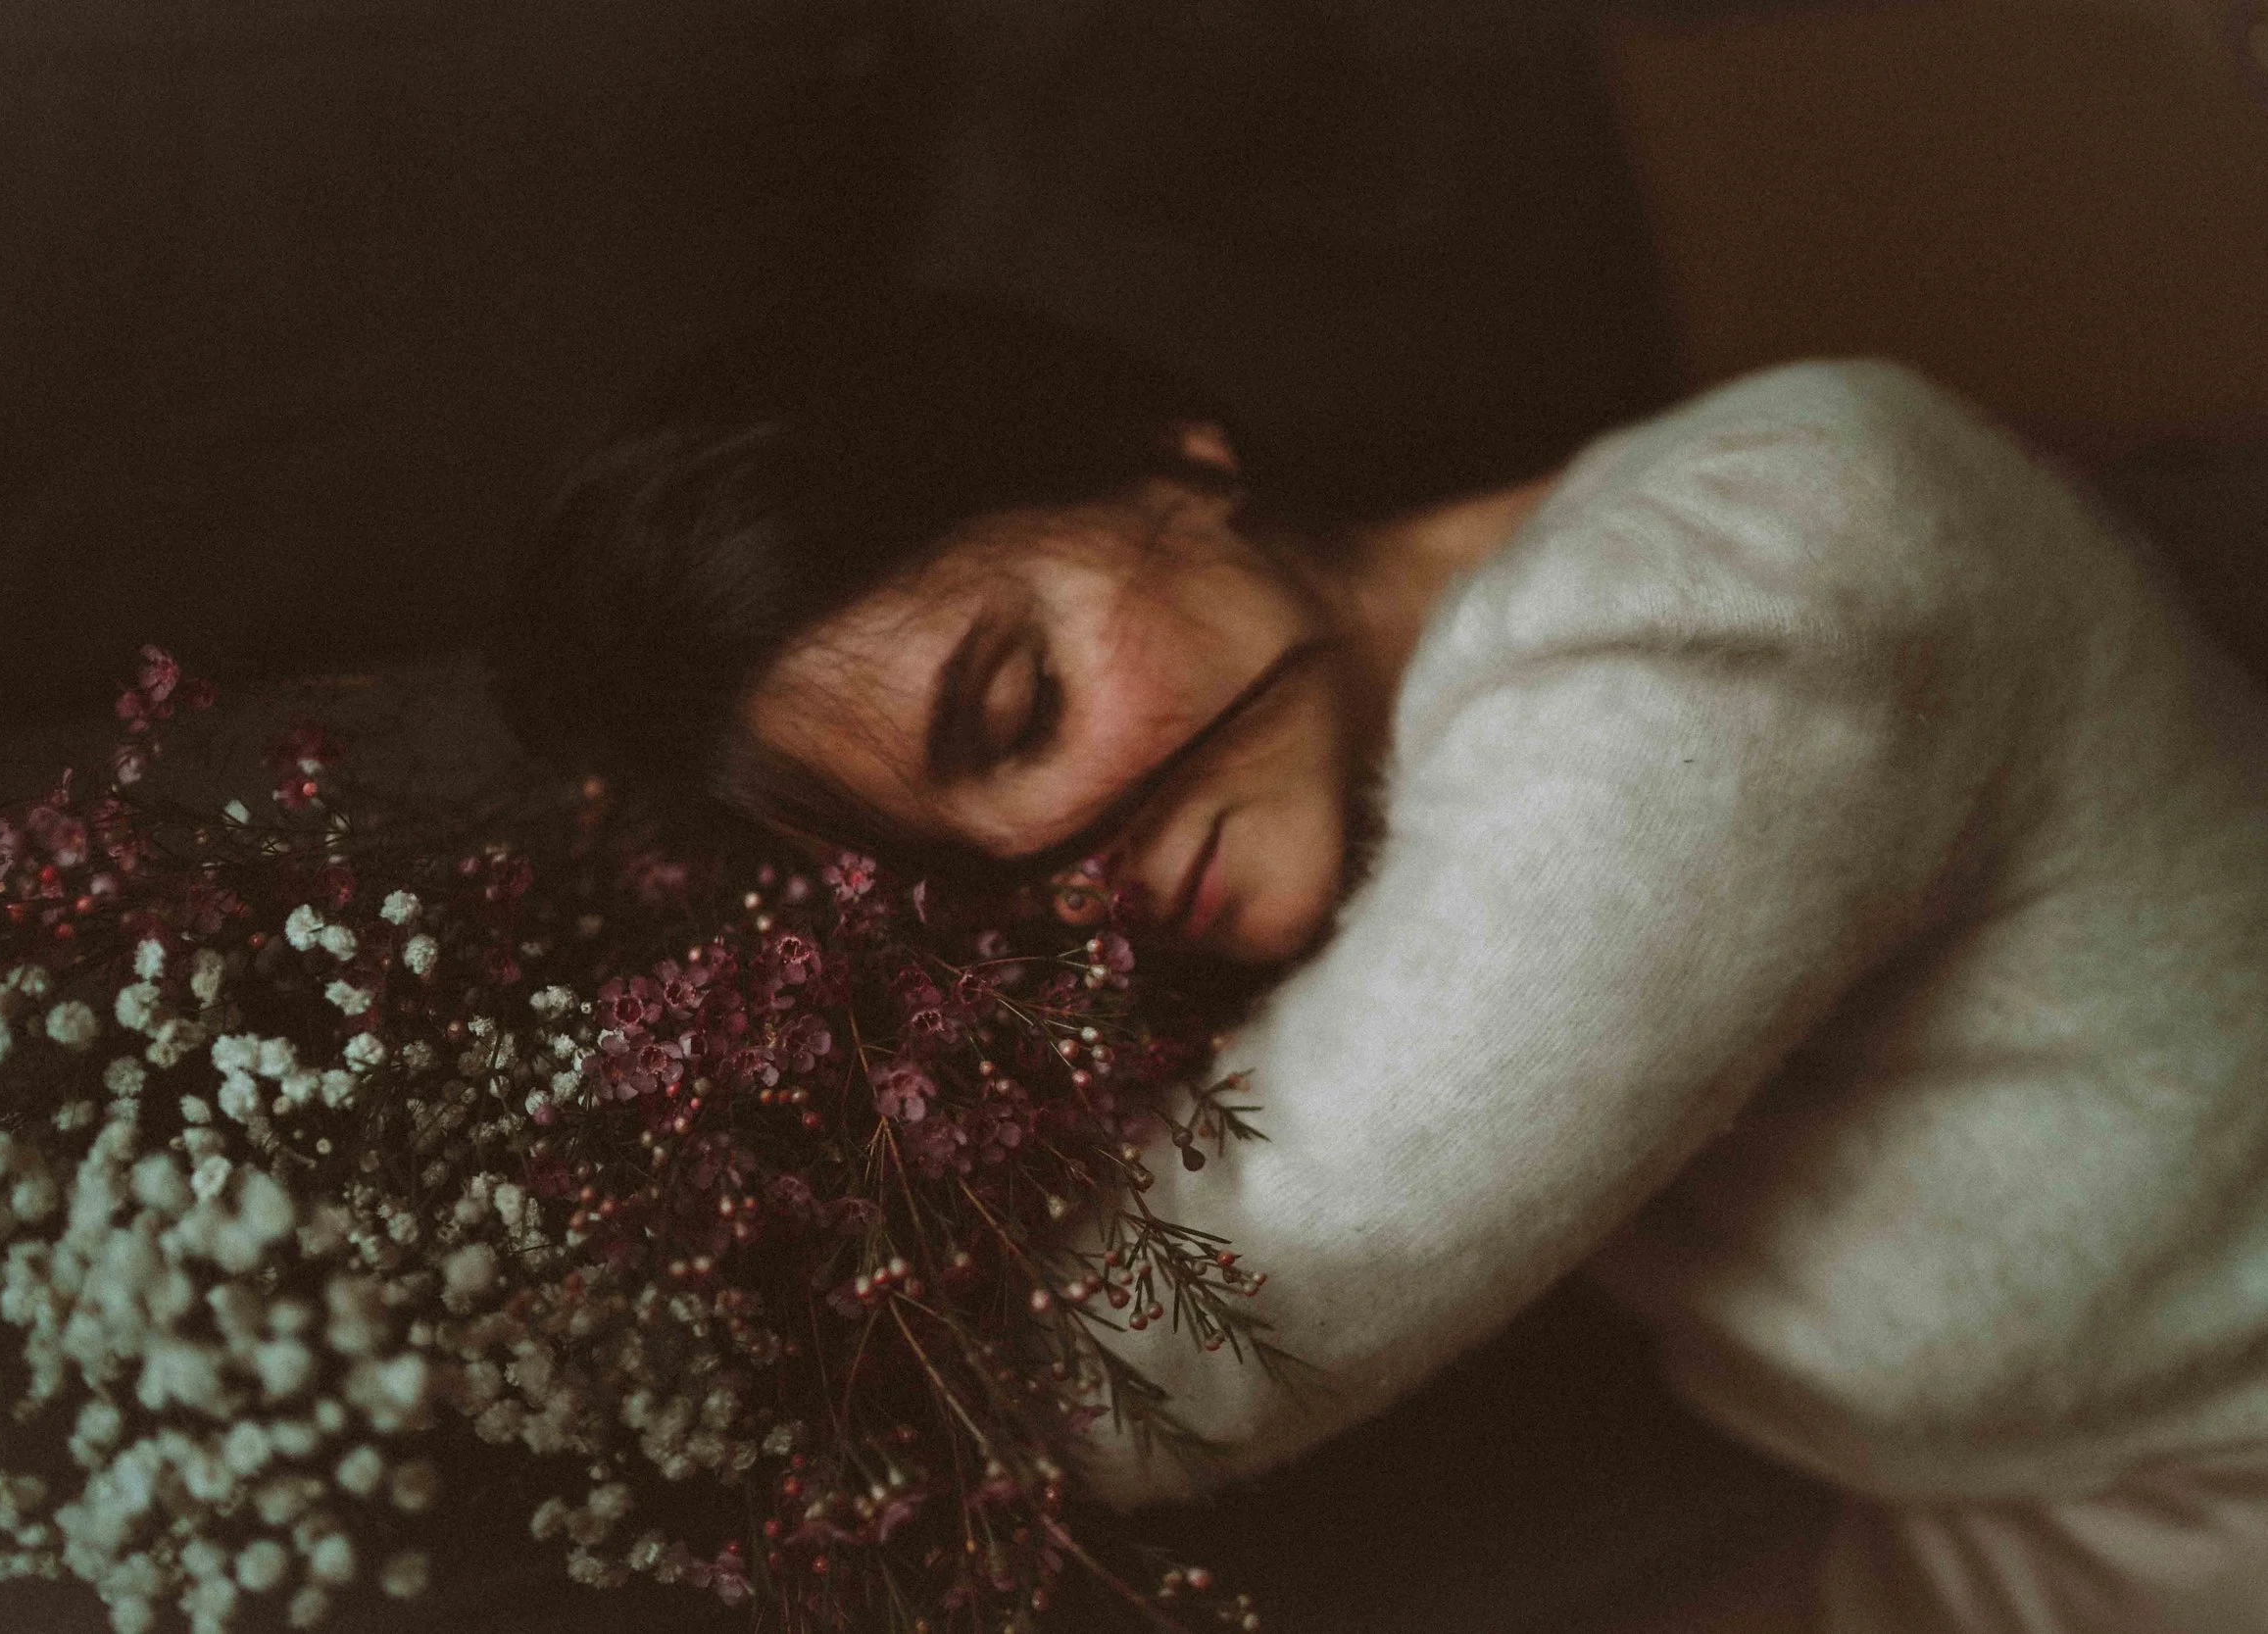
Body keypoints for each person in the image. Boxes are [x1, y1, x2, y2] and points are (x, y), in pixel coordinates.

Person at [489, 288, 2268, 1632]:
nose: (1057, 882)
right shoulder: (1418, 758)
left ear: (1177, 461)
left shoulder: (1751, 593)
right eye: (949, 889)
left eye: (1013, 704)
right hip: (2030, 1503)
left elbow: (1180, 1345)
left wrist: (543, 1308)